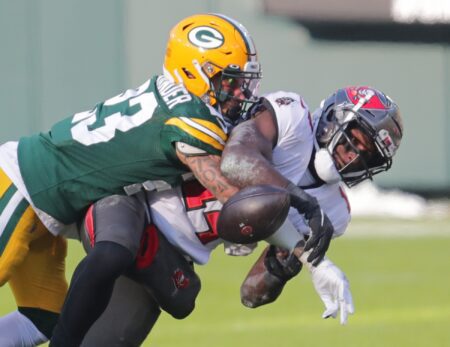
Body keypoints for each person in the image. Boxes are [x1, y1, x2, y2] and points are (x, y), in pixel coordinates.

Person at [0, 12, 264, 347]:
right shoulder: (188, 115)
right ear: (193, 72)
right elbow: (224, 188)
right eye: (229, 82)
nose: (239, 93)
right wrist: (254, 217)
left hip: (48, 210)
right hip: (23, 184)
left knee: (45, 318)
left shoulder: (174, 99)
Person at [74, 85, 403, 345]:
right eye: (354, 139)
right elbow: (235, 161)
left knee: (164, 307)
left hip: (170, 254)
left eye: (367, 154)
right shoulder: (291, 117)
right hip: (136, 202)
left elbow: (251, 294)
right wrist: (301, 205)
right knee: (110, 259)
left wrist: (285, 265)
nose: (353, 155)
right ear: (332, 120)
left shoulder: (334, 211)